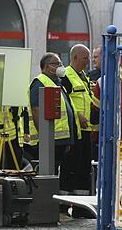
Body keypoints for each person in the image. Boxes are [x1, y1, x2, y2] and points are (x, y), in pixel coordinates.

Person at [28, 52, 78, 192]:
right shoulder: (40, 82)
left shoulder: (58, 83)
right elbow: (36, 110)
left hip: (60, 138)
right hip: (49, 140)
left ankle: (57, 202)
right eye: (57, 64)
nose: (61, 66)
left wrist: (68, 139)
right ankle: (47, 201)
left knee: (58, 173)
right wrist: (44, 137)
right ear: (48, 67)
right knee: (49, 173)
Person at [61, 44, 97, 195]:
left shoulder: (83, 76)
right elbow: (64, 100)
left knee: (83, 167)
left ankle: (80, 206)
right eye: (85, 58)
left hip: (86, 129)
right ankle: (64, 201)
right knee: (71, 166)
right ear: (75, 58)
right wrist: (77, 115)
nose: (88, 61)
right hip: (74, 129)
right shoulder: (66, 76)